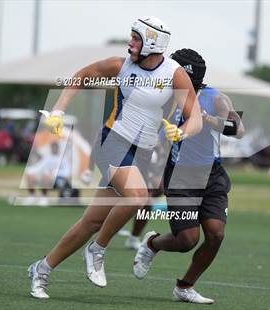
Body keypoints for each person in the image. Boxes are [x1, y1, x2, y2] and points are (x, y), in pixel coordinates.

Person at [28, 16, 202, 299]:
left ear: (153, 43)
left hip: (142, 153)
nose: (130, 43)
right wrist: (58, 111)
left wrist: (181, 132)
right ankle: (98, 250)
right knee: (137, 197)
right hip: (113, 141)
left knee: (91, 222)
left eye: (136, 38)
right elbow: (81, 76)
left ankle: (41, 269)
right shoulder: (118, 66)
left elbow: (195, 118)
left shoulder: (174, 73)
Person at [133, 48, 244, 304]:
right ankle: (152, 244)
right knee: (187, 240)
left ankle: (185, 286)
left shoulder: (216, 98)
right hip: (180, 175)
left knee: (215, 234)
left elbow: (238, 129)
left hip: (212, 174)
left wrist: (207, 119)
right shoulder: (165, 97)